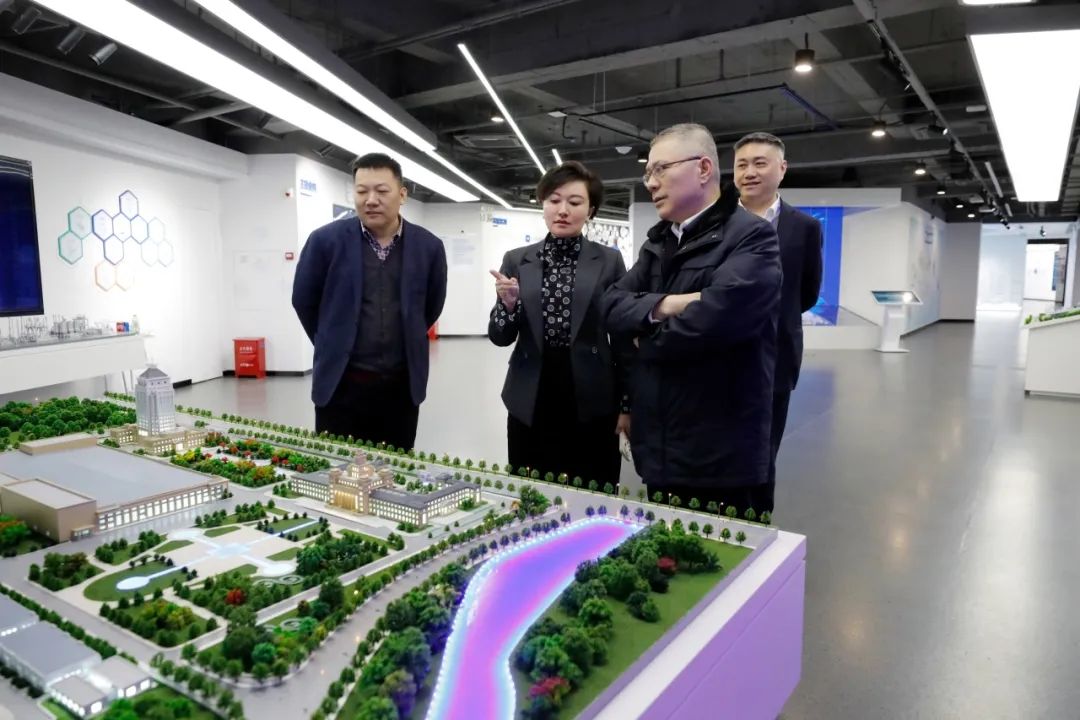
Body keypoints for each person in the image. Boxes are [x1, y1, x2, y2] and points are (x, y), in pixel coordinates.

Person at [601, 123, 781, 513]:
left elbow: (717, 321)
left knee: (724, 548)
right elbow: (610, 305)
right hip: (662, 448)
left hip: (722, 453)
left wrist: (643, 337)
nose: (651, 182)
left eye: (660, 169)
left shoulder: (751, 237)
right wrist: (669, 304)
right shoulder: (658, 244)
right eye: (648, 174)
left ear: (703, 168)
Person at [488, 161, 634, 487]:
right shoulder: (517, 259)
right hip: (531, 392)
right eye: (554, 200)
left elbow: (622, 336)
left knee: (593, 485)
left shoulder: (608, 260)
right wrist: (508, 306)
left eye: (575, 202)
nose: (563, 210)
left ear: (590, 210)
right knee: (533, 486)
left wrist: (627, 404)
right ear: (543, 204)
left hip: (592, 392)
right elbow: (500, 336)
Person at [292, 153, 447, 451]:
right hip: (340, 386)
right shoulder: (325, 242)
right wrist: (332, 341)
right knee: (338, 469)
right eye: (362, 191)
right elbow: (304, 301)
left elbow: (431, 306)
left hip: (401, 389)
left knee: (394, 469)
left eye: (382, 191)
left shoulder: (428, 247)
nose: (370, 200)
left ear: (402, 195)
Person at [733, 132, 823, 514]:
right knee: (719, 448)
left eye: (760, 163)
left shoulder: (804, 228)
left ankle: (754, 524)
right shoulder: (716, 222)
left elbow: (807, 294)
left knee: (763, 450)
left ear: (782, 169)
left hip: (775, 359)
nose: (749, 172)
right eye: (742, 164)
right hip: (716, 356)